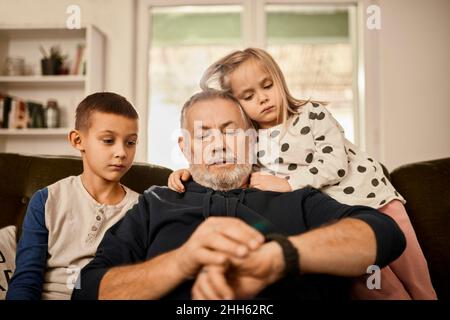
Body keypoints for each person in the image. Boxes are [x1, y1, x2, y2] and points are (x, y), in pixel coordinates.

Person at [72, 90, 406, 300]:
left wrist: (281, 257)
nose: (218, 144)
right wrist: (183, 261)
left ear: (251, 141)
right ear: (184, 147)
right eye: (203, 136)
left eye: (231, 132)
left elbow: (385, 233)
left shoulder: (293, 196)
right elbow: (88, 289)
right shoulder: (155, 202)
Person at [168, 48, 436, 300]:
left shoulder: (312, 114)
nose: (262, 98)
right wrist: (189, 171)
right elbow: (233, 173)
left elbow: (335, 164)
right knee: (380, 288)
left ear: (279, 80)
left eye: (267, 85)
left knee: (417, 279)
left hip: (377, 201)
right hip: (342, 220)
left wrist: (288, 184)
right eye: (248, 96)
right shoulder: (252, 141)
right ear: (237, 105)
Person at [6, 92, 140, 300]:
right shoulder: (47, 200)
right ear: (78, 140)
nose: (121, 152)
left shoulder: (141, 208)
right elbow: (26, 278)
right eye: (108, 140)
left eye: (130, 142)